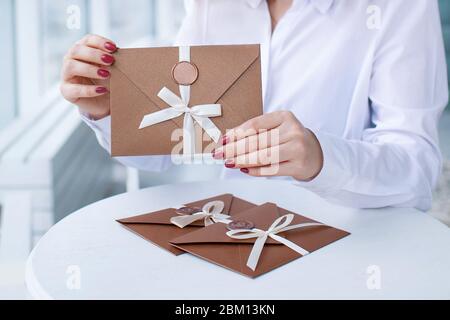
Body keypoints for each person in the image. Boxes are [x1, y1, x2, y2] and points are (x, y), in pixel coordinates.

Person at [60, 0, 449, 211]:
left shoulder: (400, 6)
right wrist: (111, 109)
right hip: (237, 238)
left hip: (359, 245)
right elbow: (178, 145)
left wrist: (321, 158)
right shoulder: (211, 6)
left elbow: (416, 170)